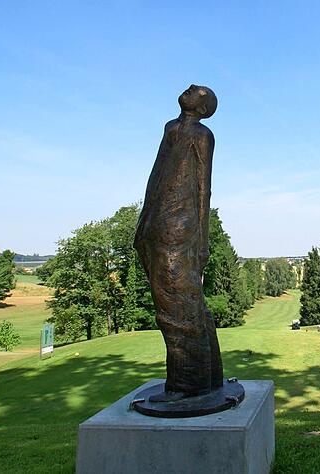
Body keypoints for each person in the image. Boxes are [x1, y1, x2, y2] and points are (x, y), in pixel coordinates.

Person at [134, 84, 223, 400]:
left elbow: (203, 189)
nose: (190, 90)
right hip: (156, 224)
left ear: (204, 108)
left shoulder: (203, 135)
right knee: (188, 302)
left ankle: (189, 384)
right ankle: (211, 376)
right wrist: (144, 222)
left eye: (199, 92)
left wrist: (202, 240)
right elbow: (155, 177)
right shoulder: (171, 128)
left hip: (180, 227)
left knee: (177, 306)